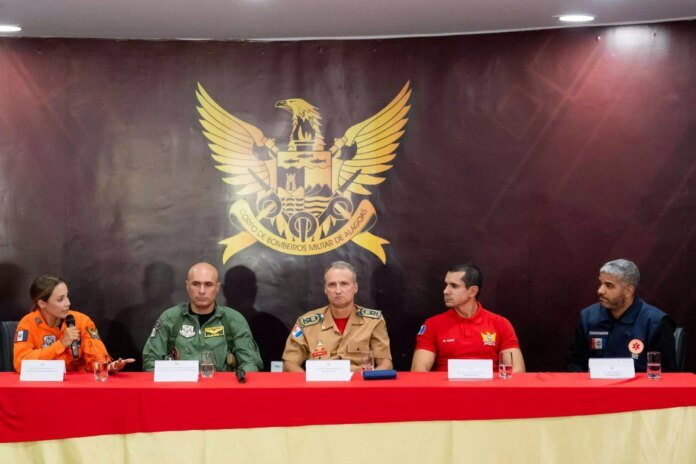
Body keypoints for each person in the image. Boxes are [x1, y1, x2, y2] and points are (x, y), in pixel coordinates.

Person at [142, 262, 263, 372]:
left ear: (217, 288)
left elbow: (251, 363)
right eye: (196, 284)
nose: (202, 291)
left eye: (208, 284)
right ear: (187, 286)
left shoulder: (234, 320)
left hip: (221, 388)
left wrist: (237, 383)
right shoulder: (170, 318)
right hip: (180, 387)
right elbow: (150, 361)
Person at [411, 263, 525, 372]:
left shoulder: (500, 324)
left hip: (490, 385)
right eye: (446, 284)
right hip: (445, 386)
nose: (445, 291)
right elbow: (418, 370)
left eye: (454, 286)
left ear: (472, 291)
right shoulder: (432, 325)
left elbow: (517, 370)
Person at [567, 259, 677, 372]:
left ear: (628, 291)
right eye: (601, 283)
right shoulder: (588, 316)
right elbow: (574, 363)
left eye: (609, 285)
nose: (600, 290)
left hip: (639, 383)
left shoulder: (656, 322)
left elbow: (667, 374)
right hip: (595, 383)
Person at [282, 261, 392, 372]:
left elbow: (386, 364)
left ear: (355, 287)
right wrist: (308, 380)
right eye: (332, 285)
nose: (338, 291)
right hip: (320, 382)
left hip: (358, 382)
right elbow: (289, 364)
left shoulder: (373, 321)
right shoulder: (306, 323)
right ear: (325, 289)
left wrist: (369, 379)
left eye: (344, 284)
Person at [13, 275, 134, 373]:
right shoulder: (27, 324)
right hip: (44, 387)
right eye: (60, 299)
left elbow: (96, 357)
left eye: (67, 296)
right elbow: (20, 363)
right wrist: (60, 345)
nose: (68, 303)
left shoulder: (82, 321)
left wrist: (107, 366)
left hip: (79, 387)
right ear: (42, 303)